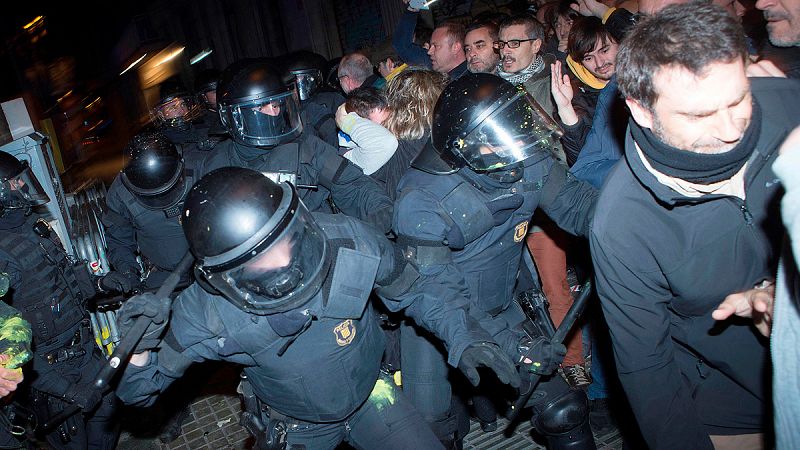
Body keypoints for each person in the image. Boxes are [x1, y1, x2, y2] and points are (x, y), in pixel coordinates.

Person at [115, 167, 520, 449]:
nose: (281, 266)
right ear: (223, 276)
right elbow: (137, 395)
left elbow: (418, 289)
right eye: (259, 261)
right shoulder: (206, 311)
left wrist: (464, 335)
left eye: (284, 244)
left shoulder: (349, 242)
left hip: (372, 396)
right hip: (296, 427)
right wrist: (139, 349)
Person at [589, 3, 800, 449]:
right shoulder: (622, 223)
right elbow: (647, 367)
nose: (730, 130)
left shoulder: (788, 106)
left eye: (739, 100)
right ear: (642, 111)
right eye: (699, 116)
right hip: (733, 403)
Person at [394, 72, 598, 448]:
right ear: (465, 147)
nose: (519, 142)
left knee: (564, 410)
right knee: (429, 434)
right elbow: (433, 292)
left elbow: (580, 206)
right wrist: (513, 346)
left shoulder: (525, 159)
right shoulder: (421, 199)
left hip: (501, 304)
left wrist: (627, 229)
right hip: (439, 318)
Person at [0, 151, 118, 449]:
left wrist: (103, 284)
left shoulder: (34, 228)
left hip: (84, 352)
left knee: (108, 417)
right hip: (50, 376)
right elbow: (12, 347)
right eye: (16, 183)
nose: (24, 186)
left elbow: (65, 280)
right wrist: (69, 391)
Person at [204, 59, 393, 233]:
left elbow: (353, 185)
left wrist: (379, 213)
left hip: (315, 243)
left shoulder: (306, 148)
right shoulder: (217, 166)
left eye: (277, 104)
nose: (274, 113)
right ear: (233, 117)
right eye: (262, 107)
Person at [102, 132, 201, 292]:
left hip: (213, 260)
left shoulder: (200, 165)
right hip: (166, 274)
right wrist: (128, 274)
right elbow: (119, 241)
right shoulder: (120, 194)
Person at [283, 50, 346, 147]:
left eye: (299, 79)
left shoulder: (331, 99)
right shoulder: (285, 109)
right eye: (291, 83)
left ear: (313, 78)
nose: (295, 86)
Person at [152, 77, 219, 151]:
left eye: (183, 104)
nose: (182, 110)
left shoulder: (204, 129)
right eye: (173, 107)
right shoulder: (163, 145)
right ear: (161, 115)